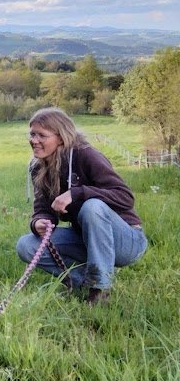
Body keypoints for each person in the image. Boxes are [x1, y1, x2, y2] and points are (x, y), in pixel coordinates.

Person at [16, 107, 147, 304]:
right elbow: (43, 209)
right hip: (85, 238)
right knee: (26, 246)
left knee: (92, 207)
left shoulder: (86, 155)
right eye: (32, 134)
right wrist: (39, 222)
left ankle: (100, 290)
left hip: (126, 241)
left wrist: (77, 193)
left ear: (61, 138)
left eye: (41, 135)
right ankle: (83, 282)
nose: (34, 140)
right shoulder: (38, 167)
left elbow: (126, 197)